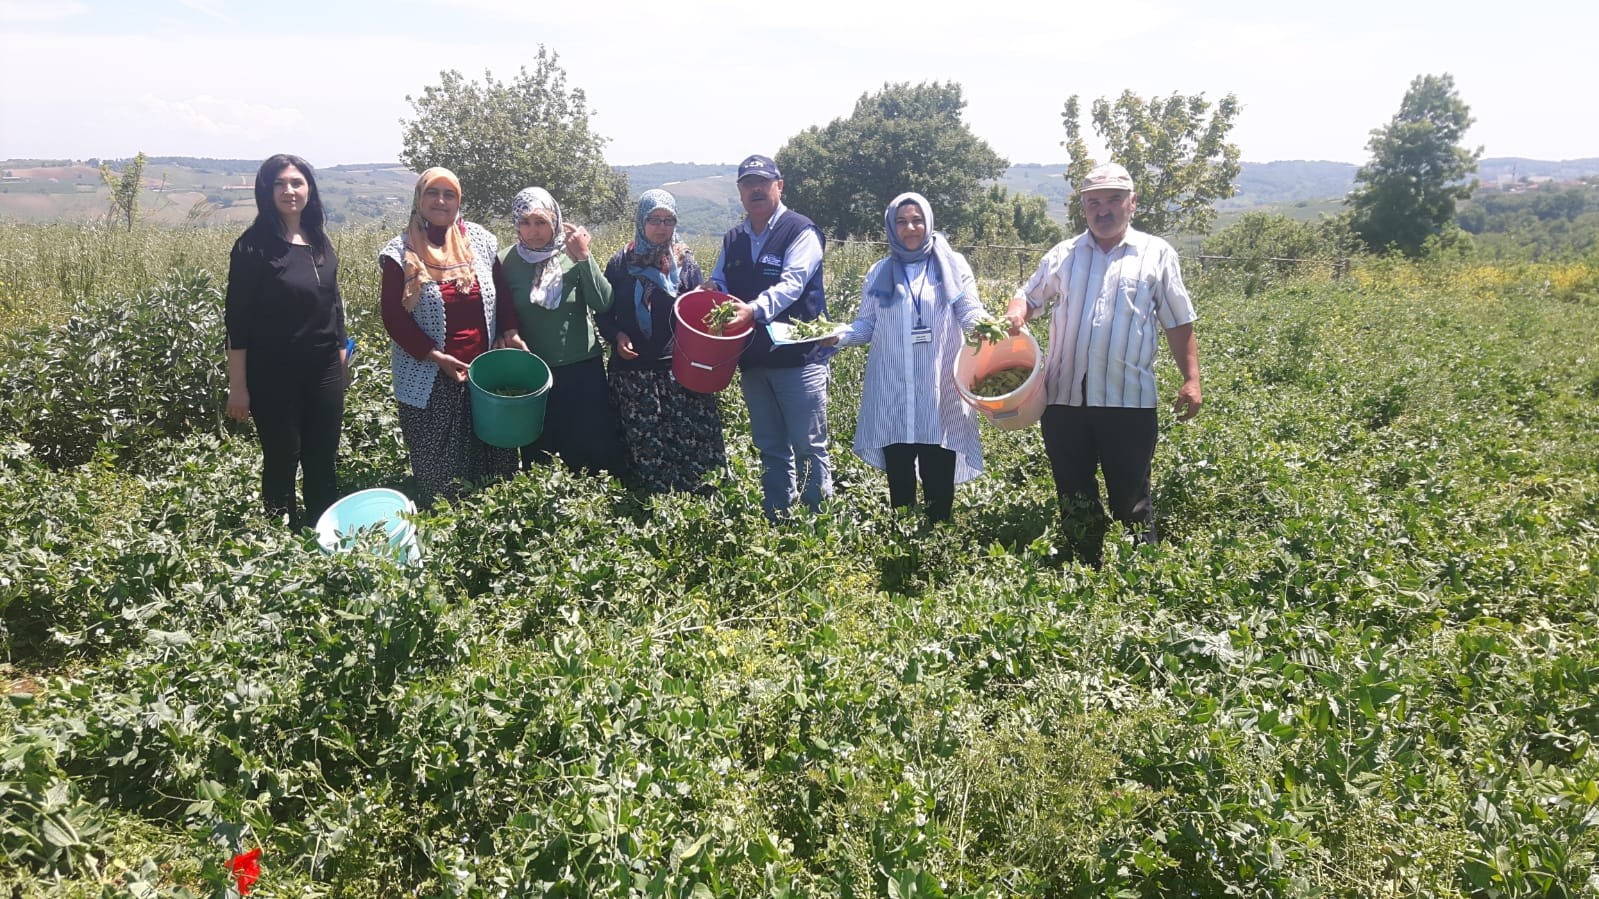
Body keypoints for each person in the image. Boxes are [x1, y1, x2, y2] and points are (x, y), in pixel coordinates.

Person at [1004, 162, 1202, 564]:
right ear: (1083, 208)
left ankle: (1136, 574)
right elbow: (1029, 295)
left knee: (1131, 494)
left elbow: (1179, 320)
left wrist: (1191, 379)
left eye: (1113, 200)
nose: (1103, 210)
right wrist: (1016, 310)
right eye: (1094, 202)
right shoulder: (1065, 254)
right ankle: (1083, 565)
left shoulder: (1156, 254)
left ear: (1133, 204)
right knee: (1073, 491)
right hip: (1063, 401)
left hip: (1127, 401)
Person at [379, 167, 527, 504]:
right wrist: (435, 356)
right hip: (430, 376)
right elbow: (393, 317)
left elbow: (501, 294)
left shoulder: (479, 240)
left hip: (484, 373)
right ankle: (448, 540)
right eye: (433, 193)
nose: (441, 201)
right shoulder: (400, 252)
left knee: (494, 468)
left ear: (459, 200)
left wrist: (511, 332)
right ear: (419, 199)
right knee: (442, 476)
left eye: (450, 194)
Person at [836, 193, 987, 522]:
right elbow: (866, 325)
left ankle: (938, 545)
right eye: (902, 221)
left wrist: (988, 330)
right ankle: (903, 551)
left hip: (938, 388)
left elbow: (968, 309)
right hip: (893, 390)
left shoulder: (952, 264)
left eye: (917, 219)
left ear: (929, 222)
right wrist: (836, 337)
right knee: (899, 480)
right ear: (891, 226)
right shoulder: (880, 271)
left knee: (939, 474)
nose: (910, 228)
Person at [225, 153, 348, 529]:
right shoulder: (252, 247)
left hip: (325, 368)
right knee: (282, 457)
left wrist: (342, 358)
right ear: (266, 191)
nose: (289, 191)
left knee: (323, 457)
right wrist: (237, 388)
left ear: (309, 188)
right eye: (279, 184)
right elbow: (237, 323)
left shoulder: (319, 240)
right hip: (273, 372)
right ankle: (279, 538)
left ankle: (322, 533)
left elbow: (334, 305)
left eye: (296, 182)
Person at [709, 154, 832, 518]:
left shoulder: (801, 231)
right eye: (748, 183)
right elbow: (721, 281)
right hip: (753, 359)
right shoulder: (734, 238)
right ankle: (777, 517)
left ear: (779, 186)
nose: (756, 189)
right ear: (740, 191)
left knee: (809, 445)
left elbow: (792, 284)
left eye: (763, 182)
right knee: (769, 445)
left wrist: (752, 310)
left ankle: (816, 525)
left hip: (799, 360)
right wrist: (711, 291)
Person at [596, 189, 727, 494]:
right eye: (654, 219)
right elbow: (603, 314)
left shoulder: (685, 262)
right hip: (633, 374)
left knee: (694, 446)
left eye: (669, 220)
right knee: (645, 447)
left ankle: (698, 511)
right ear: (641, 221)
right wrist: (617, 336)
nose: (661, 227)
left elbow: (698, 315)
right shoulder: (620, 264)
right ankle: (652, 511)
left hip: (679, 371)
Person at [500, 187, 622, 475]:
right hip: (534, 371)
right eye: (526, 222)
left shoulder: (571, 254)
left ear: (555, 221)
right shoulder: (506, 261)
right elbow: (499, 312)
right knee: (542, 452)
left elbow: (603, 302)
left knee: (592, 447)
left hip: (582, 367)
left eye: (541, 222)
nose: (533, 231)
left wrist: (584, 257)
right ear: (516, 223)